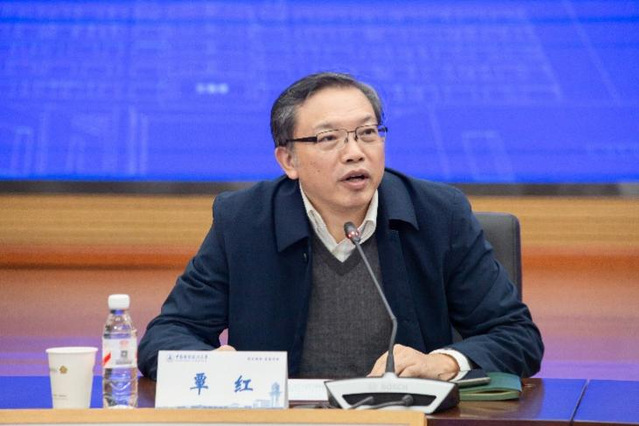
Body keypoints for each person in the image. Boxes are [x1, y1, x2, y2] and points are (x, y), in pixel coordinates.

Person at [138, 72, 543, 381]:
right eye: (329, 138)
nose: (355, 153)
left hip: (401, 419)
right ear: (289, 160)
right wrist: (207, 364)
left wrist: (442, 362)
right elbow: (167, 335)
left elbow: (517, 336)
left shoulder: (439, 214)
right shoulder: (244, 221)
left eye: (367, 133)